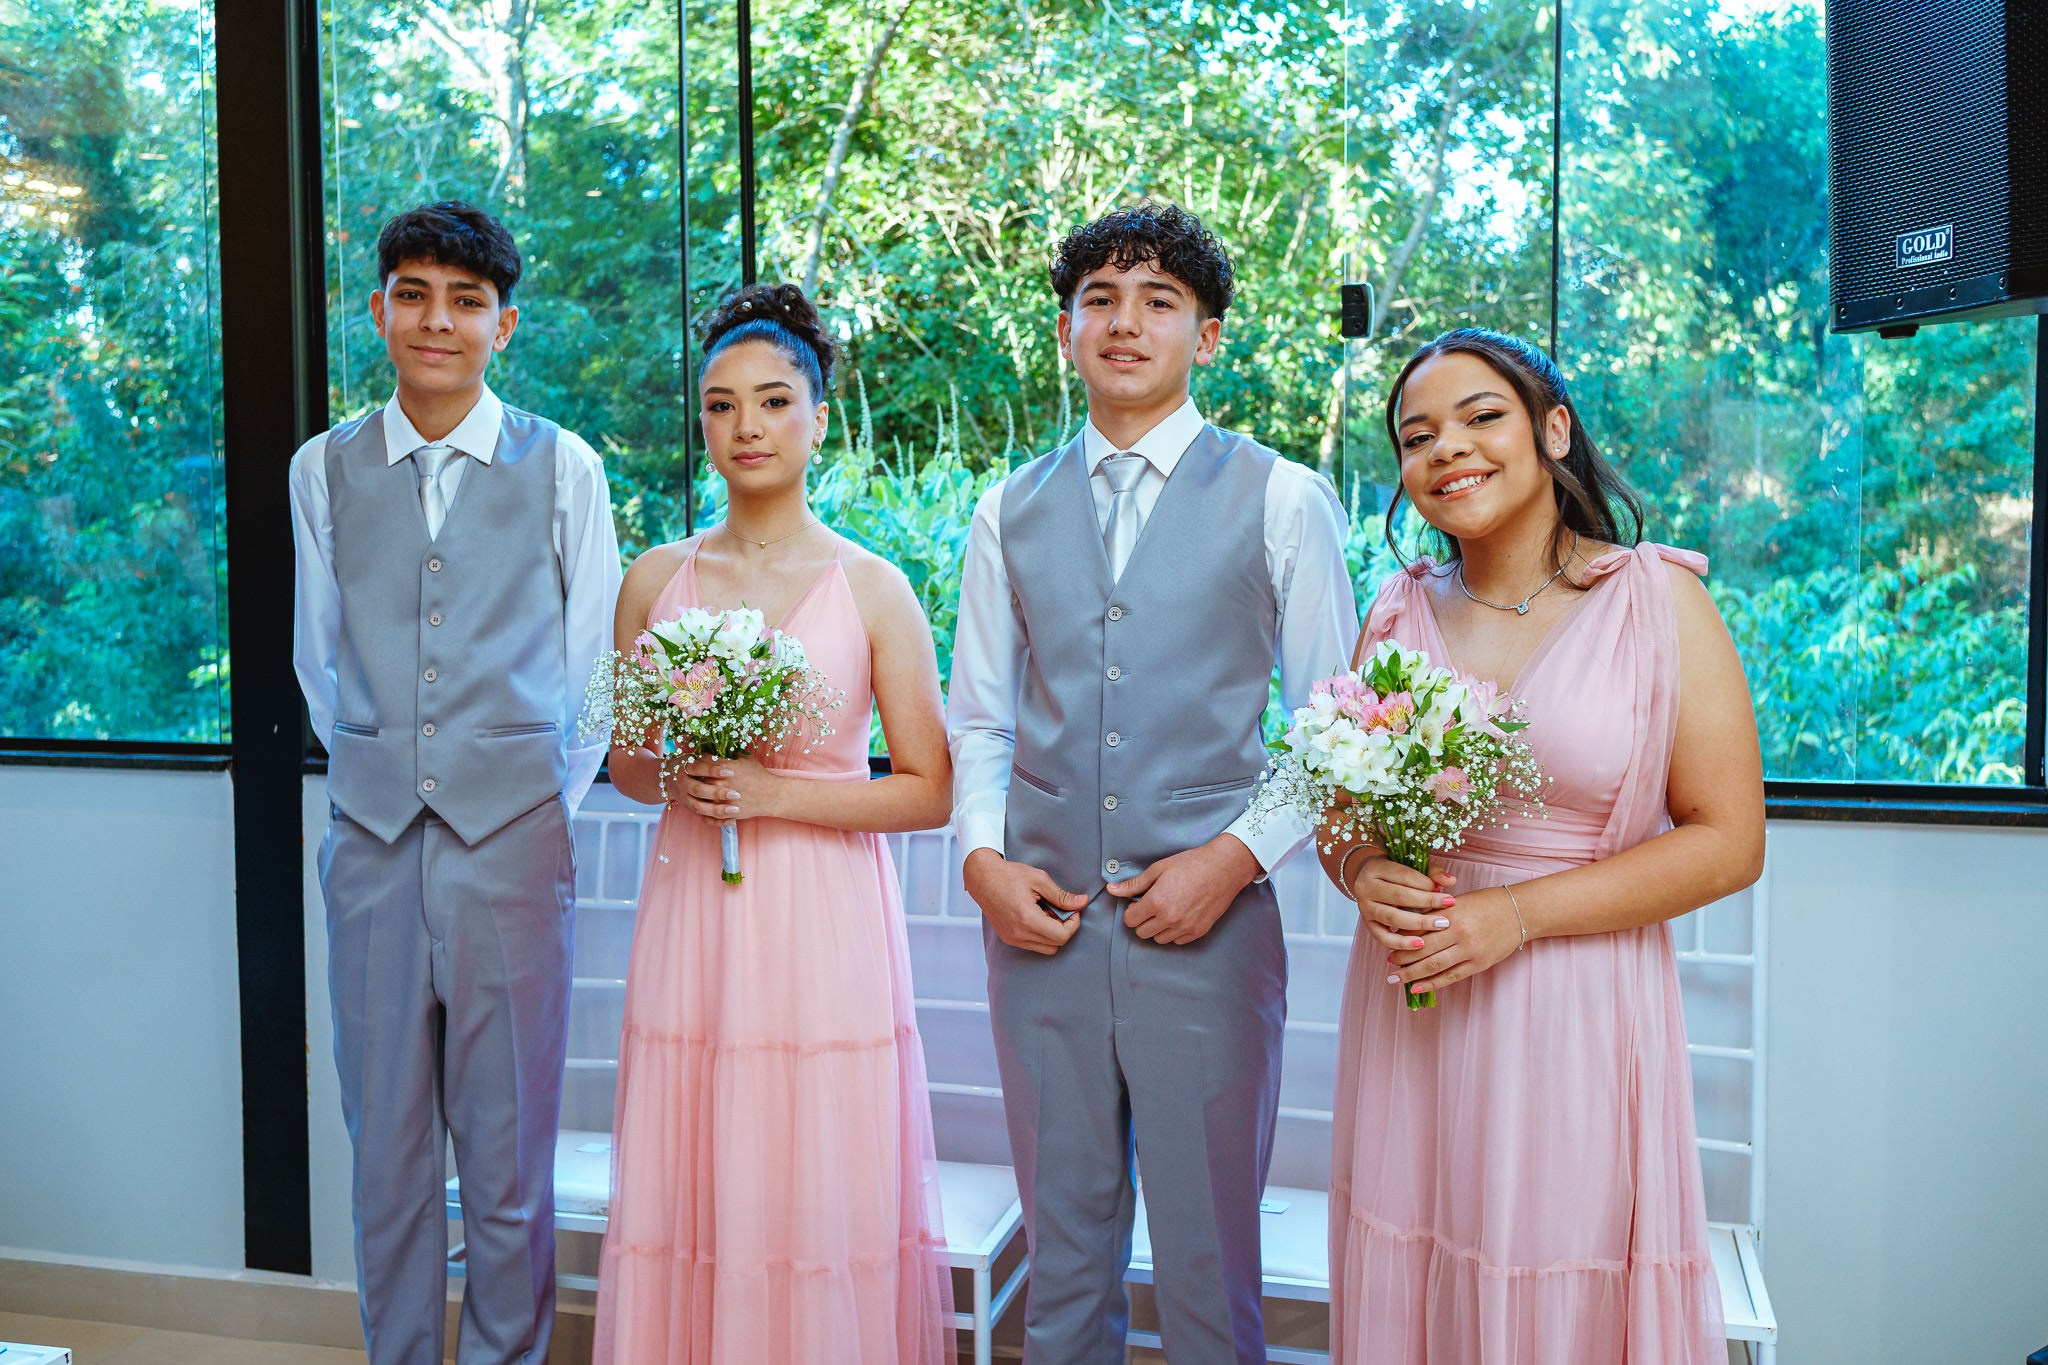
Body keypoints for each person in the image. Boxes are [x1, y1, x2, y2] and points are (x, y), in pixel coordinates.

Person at [946, 201, 1357, 1363]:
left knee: (1205, 1257)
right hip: (1039, 927)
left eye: (1158, 301)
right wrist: (981, 862)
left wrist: (1229, 865)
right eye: (1099, 300)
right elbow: (977, 714)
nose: (1125, 323)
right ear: (1067, 330)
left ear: (1207, 335)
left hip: (1209, 933)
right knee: (1061, 1255)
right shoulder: (1004, 510)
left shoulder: (1281, 498)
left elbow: (1333, 728)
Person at [1324, 327, 1764, 1362]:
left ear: (1551, 431)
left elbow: (1727, 842)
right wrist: (1360, 870)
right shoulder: (1395, 612)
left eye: (1480, 418)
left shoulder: (1658, 601)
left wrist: (1514, 916)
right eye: (1415, 435)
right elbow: (1340, 810)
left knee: (1551, 1282)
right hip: (1413, 1008)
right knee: (1416, 1264)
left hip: (1573, 1009)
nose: (1446, 450)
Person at [592, 283, 955, 1365]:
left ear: (818, 416)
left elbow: (929, 789)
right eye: (719, 405)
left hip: (821, 923)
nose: (744, 426)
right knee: (695, 1161)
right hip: (692, 915)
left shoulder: (876, 587)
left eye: (771, 401)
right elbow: (621, 766)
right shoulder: (653, 578)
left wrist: (774, 793)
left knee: (811, 1170)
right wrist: (685, 766)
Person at [289, 200, 622, 1365]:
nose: (439, 320)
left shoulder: (563, 464)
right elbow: (316, 658)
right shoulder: (321, 469)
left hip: (515, 845)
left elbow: (597, 676)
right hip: (371, 844)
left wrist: (531, 800)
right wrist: (385, 769)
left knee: (508, 1149)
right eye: (415, 294)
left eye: (466, 300)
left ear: (504, 323)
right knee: (382, 1151)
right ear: (378, 309)